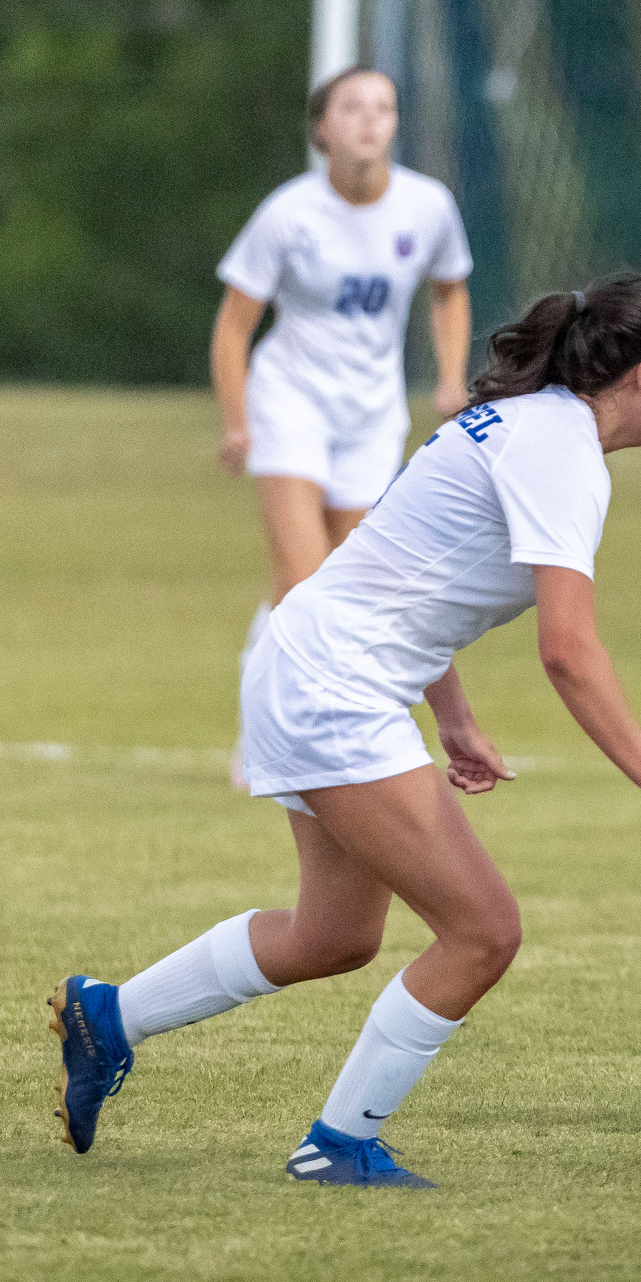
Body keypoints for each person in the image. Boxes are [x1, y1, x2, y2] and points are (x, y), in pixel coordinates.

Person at [50, 275, 641, 1188]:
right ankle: (335, 1147)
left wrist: (452, 717)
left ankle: (108, 1017)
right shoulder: (562, 451)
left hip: (309, 663)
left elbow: (396, 555)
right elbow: (570, 653)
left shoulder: (523, 424)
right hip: (334, 686)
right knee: (483, 932)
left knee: (334, 936)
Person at [212, 66, 474, 785]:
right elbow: (234, 328)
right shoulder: (289, 214)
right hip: (289, 401)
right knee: (304, 579)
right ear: (321, 128)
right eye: (352, 107)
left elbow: (450, 290)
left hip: (371, 413)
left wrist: (451, 375)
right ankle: (277, 739)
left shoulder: (427, 206)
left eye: (384, 107)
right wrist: (237, 422)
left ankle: (283, 720)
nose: (369, 120)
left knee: (345, 582)